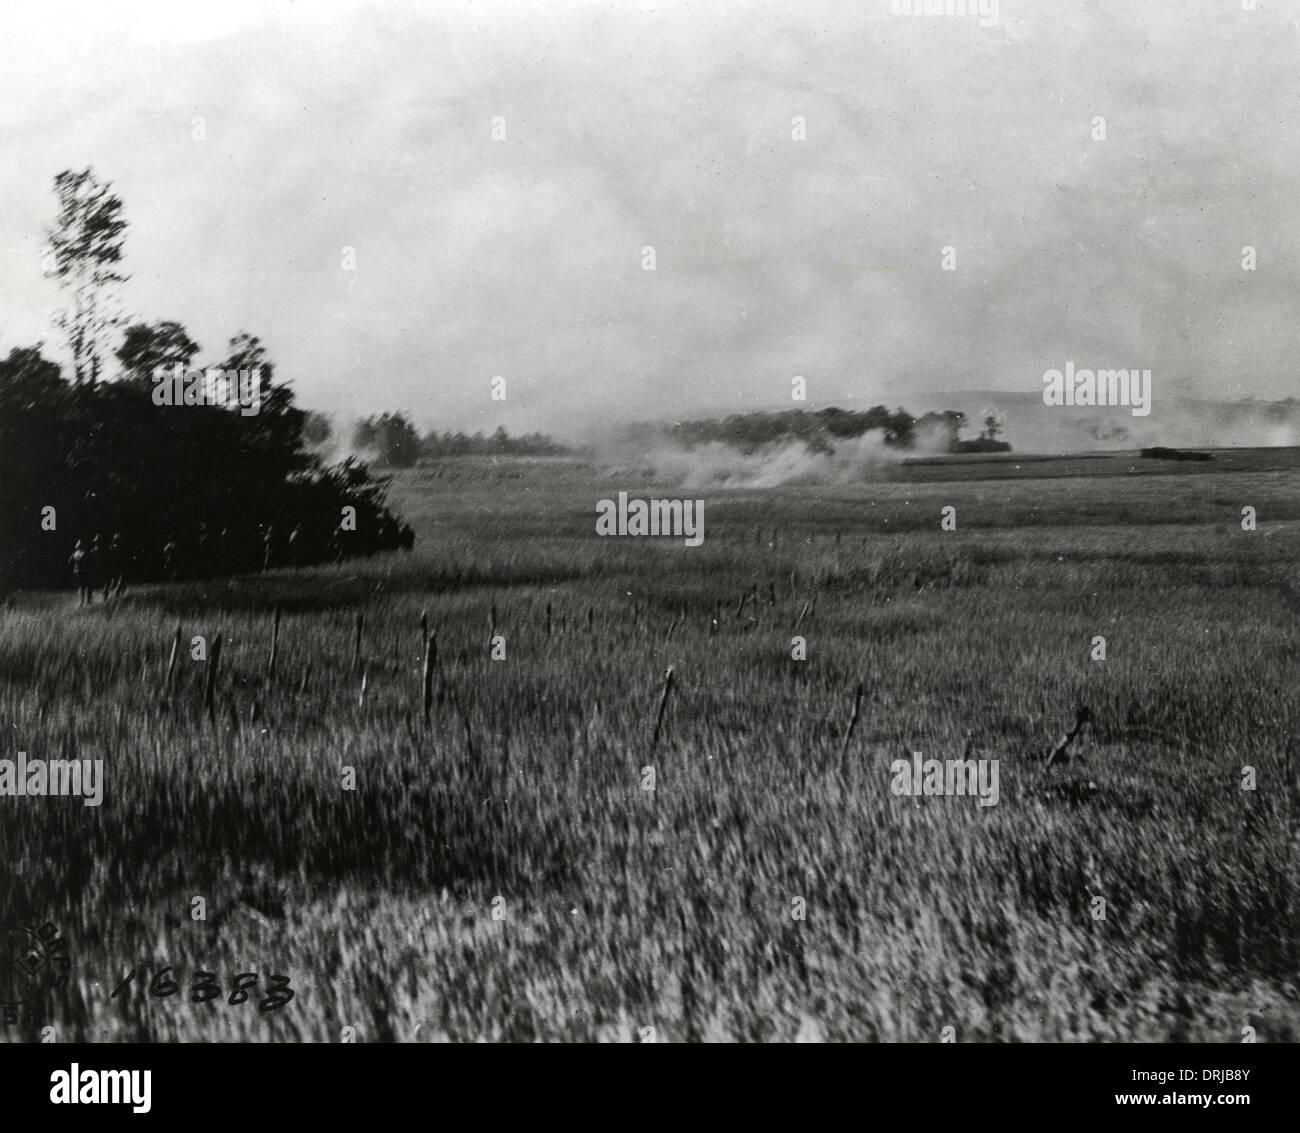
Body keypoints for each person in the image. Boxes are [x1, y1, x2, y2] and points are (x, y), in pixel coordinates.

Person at [69, 539, 90, 606]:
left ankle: (81, 601)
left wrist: (76, 564)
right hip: (84, 571)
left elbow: (69, 562)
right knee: (86, 586)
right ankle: (85, 601)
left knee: (81, 587)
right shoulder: (85, 553)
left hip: (76, 572)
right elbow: (88, 563)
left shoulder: (75, 553)